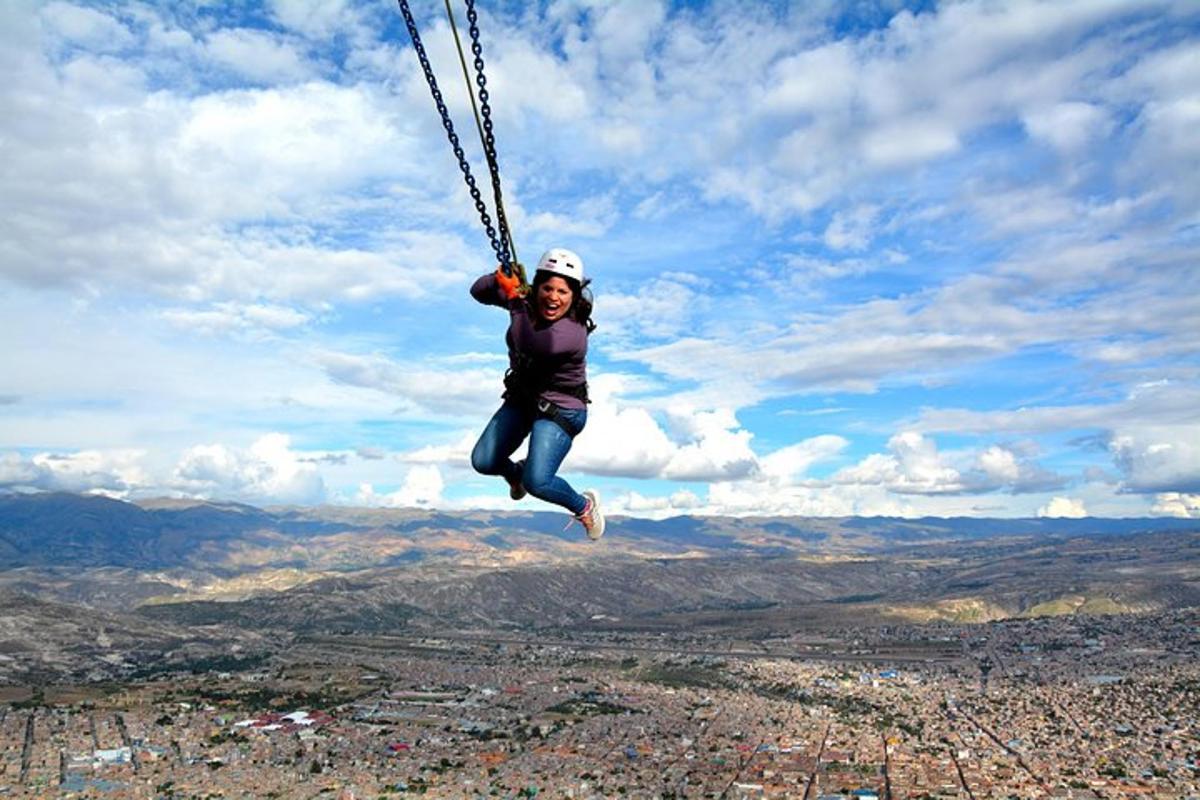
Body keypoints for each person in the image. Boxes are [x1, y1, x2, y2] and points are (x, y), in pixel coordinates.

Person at [469, 248, 605, 540]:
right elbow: (478, 291)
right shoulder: (527, 303)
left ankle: (584, 505)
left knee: (538, 481)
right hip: (524, 400)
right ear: (537, 287)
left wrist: (516, 300)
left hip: (561, 411)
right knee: (484, 461)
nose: (553, 297)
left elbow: (532, 344)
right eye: (547, 288)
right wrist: (501, 277)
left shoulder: (572, 331)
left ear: (575, 297)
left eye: (563, 292)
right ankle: (514, 475)